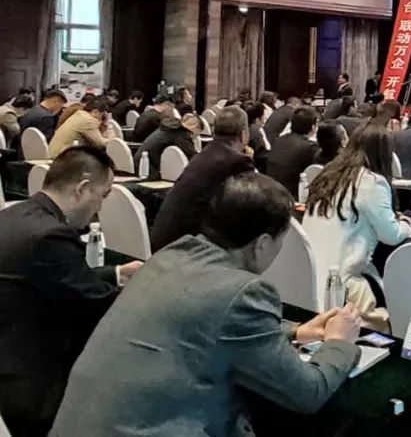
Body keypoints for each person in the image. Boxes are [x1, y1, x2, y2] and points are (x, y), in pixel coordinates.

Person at [51, 173, 363, 437]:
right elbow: (308, 393)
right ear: (262, 244)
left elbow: (205, 322)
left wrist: (294, 331)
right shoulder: (245, 292)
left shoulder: (170, 256)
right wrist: (339, 342)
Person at [0, 147, 142, 436]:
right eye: (102, 196)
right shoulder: (51, 236)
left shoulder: (15, 214)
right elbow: (99, 306)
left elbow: (52, 275)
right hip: (31, 385)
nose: (99, 208)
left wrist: (116, 273)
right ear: (83, 189)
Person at [304, 125, 411, 283]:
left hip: (310, 276)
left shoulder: (328, 173)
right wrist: (406, 223)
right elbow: (391, 235)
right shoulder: (371, 182)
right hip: (342, 281)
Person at [150, 106, 255, 252]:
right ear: (243, 135)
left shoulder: (205, 153)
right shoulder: (237, 161)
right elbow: (248, 204)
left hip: (165, 239)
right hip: (186, 247)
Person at [267, 105, 320, 199]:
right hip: (292, 197)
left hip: (270, 192)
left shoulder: (278, 140)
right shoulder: (310, 147)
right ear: (313, 127)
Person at [134, 113, 200, 177]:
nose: (194, 137)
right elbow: (192, 156)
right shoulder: (180, 133)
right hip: (147, 170)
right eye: (196, 134)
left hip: (139, 162)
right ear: (194, 126)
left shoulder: (169, 126)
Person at [47, 95, 115, 158]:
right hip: (62, 158)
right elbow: (101, 143)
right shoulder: (88, 121)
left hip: (56, 154)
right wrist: (108, 126)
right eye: (102, 115)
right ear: (96, 112)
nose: (102, 119)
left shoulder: (80, 114)